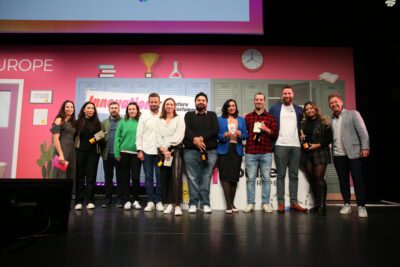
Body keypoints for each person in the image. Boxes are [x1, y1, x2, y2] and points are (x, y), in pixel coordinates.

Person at [328, 93, 370, 218]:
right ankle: (346, 204)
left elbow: (363, 132)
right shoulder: (331, 119)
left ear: (341, 102)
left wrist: (365, 147)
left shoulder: (353, 114)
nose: (334, 104)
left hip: (355, 153)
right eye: (331, 103)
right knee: (343, 181)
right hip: (338, 155)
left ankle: (361, 206)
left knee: (358, 180)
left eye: (336, 102)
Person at [269, 85, 307, 213]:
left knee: (294, 175)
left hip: (296, 145)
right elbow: (268, 122)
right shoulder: (274, 108)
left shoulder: (298, 109)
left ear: (293, 95)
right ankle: (281, 203)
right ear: (282, 95)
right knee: (280, 175)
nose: (287, 95)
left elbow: (303, 125)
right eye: (285, 93)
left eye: (289, 93)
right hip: (280, 144)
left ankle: (294, 203)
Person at [183, 92, 218, 213]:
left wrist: (201, 138)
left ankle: (205, 204)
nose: (201, 102)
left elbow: (215, 130)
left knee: (205, 178)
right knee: (192, 178)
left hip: (210, 152)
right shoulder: (188, 115)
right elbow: (186, 130)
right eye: (199, 100)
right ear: (195, 102)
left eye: (203, 100)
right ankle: (193, 203)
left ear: (206, 102)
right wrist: (195, 140)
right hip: (190, 151)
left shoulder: (213, 115)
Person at [244, 93, 277, 213]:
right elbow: (244, 133)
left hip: (266, 152)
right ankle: (251, 203)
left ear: (264, 101)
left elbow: (274, 135)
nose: (259, 101)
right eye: (257, 99)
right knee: (251, 179)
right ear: (254, 101)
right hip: (251, 152)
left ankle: (266, 204)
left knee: (266, 179)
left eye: (261, 100)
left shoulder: (270, 118)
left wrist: (266, 129)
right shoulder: (247, 117)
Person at [300, 102, 333, 216]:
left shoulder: (324, 121)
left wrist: (318, 145)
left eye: (311, 108)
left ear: (315, 109)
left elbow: (329, 138)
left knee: (319, 178)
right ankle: (317, 205)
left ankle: (323, 205)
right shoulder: (304, 123)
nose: (309, 110)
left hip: (320, 152)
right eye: (307, 109)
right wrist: (301, 138)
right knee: (312, 179)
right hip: (307, 153)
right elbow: (303, 139)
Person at [155, 98, 185, 216]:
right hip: (163, 152)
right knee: (165, 178)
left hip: (175, 150)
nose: (169, 106)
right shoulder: (159, 120)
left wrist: (167, 146)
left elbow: (179, 136)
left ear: (174, 106)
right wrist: (163, 149)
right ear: (164, 106)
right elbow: (157, 136)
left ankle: (177, 205)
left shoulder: (179, 119)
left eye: (171, 104)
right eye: (167, 104)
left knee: (176, 177)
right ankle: (169, 203)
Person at [217, 99, 248, 214]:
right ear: (226, 107)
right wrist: (224, 135)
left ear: (236, 107)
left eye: (233, 105)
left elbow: (246, 134)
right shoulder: (220, 119)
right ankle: (228, 205)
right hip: (224, 149)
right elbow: (217, 134)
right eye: (229, 106)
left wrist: (241, 134)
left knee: (234, 177)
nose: (231, 107)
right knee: (225, 177)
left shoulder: (241, 120)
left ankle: (232, 203)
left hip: (237, 149)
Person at [136, 93, 164, 212]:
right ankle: (150, 201)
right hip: (146, 152)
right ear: (149, 102)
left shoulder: (164, 116)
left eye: (155, 101)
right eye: (151, 102)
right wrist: (139, 150)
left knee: (160, 177)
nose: (153, 104)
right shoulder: (144, 116)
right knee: (148, 177)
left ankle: (159, 201)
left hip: (160, 153)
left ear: (159, 102)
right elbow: (139, 134)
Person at [74, 101, 103, 210]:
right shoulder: (77, 122)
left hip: (93, 153)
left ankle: (90, 201)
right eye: (88, 108)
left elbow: (102, 136)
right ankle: (78, 201)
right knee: (80, 177)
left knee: (91, 177)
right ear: (84, 110)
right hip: (80, 152)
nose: (91, 110)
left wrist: (99, 137)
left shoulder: (97, 123)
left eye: (92, 108)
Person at [114, 102, 142, 210]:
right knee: (124, 177)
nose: (131, 111)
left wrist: (142, 151)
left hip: (136, 154)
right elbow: (117, 138)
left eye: (133, 109)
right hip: (124, 153)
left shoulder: (140, 122)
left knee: (135, 177)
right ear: (127, 111)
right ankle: (126, 200)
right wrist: (117, 153)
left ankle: (136, 200)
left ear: (137, 110)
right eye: (129, 109)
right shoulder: (122, 122)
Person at [100, 102, 122, 208]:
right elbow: (99, 135)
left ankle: (119, 200)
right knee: (108, 178)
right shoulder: (104, 122)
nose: (114, 109)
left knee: (120, 178)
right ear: (109, 109)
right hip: (107, 154)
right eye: (112, 108)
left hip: (119, 155)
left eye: (116, 108)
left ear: (119, 109)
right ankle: (108, 199)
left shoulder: (123, 122)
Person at [50, 100, 76, 180]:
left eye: (71, 107)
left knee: (70, 172)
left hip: (72, 150)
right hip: (61, 149)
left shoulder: (73, 122)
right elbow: (55, 138)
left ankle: (70, 192)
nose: (70, 109)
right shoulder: (59, 120)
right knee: (60, 171)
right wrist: (60, 154)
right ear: (63, 108)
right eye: (67, 107)